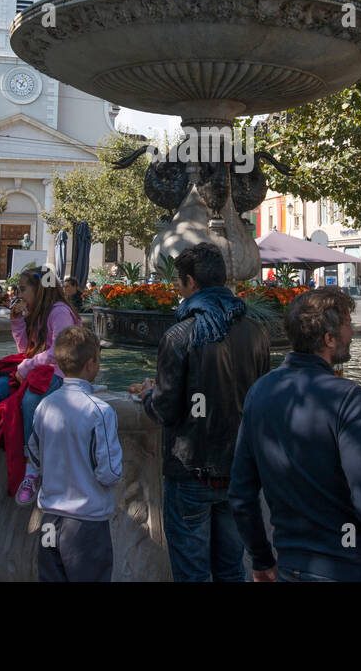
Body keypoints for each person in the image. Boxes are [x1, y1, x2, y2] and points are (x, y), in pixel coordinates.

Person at [229, 287, 361, 581]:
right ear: (329, 339)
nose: (352, 333)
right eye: (348, 324)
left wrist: (261, 558)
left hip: (293, 565)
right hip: (351, 565)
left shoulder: (260, 392)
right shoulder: (345, 396)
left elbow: (241, 494)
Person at [132, 242, 271, 582]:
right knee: (230, 570)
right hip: (239, 472)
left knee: (193, 574)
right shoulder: (256, 332)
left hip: (191, 471)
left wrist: (150, 394)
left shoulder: (180, 335)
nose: (178, 289)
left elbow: (164, 410)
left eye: (180, 282)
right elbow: (262, 398)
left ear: (191, 283)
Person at [0, 267, 80, 500]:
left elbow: (60, 350)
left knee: (30, 402)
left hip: (57, 373)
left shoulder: (59, 312)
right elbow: (26, 351)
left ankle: (31, 466)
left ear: (39, 289)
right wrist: (17, 324)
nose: (18, 294)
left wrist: (25, 368)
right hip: (34, 371)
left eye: (23, 289)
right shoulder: (35, 312)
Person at [27, 326, 123, 582]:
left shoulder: (45, 404)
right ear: (91, 363)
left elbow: (34, 453)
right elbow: (109, 472)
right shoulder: (100, 411)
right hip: (85, 521)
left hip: (50, 517)